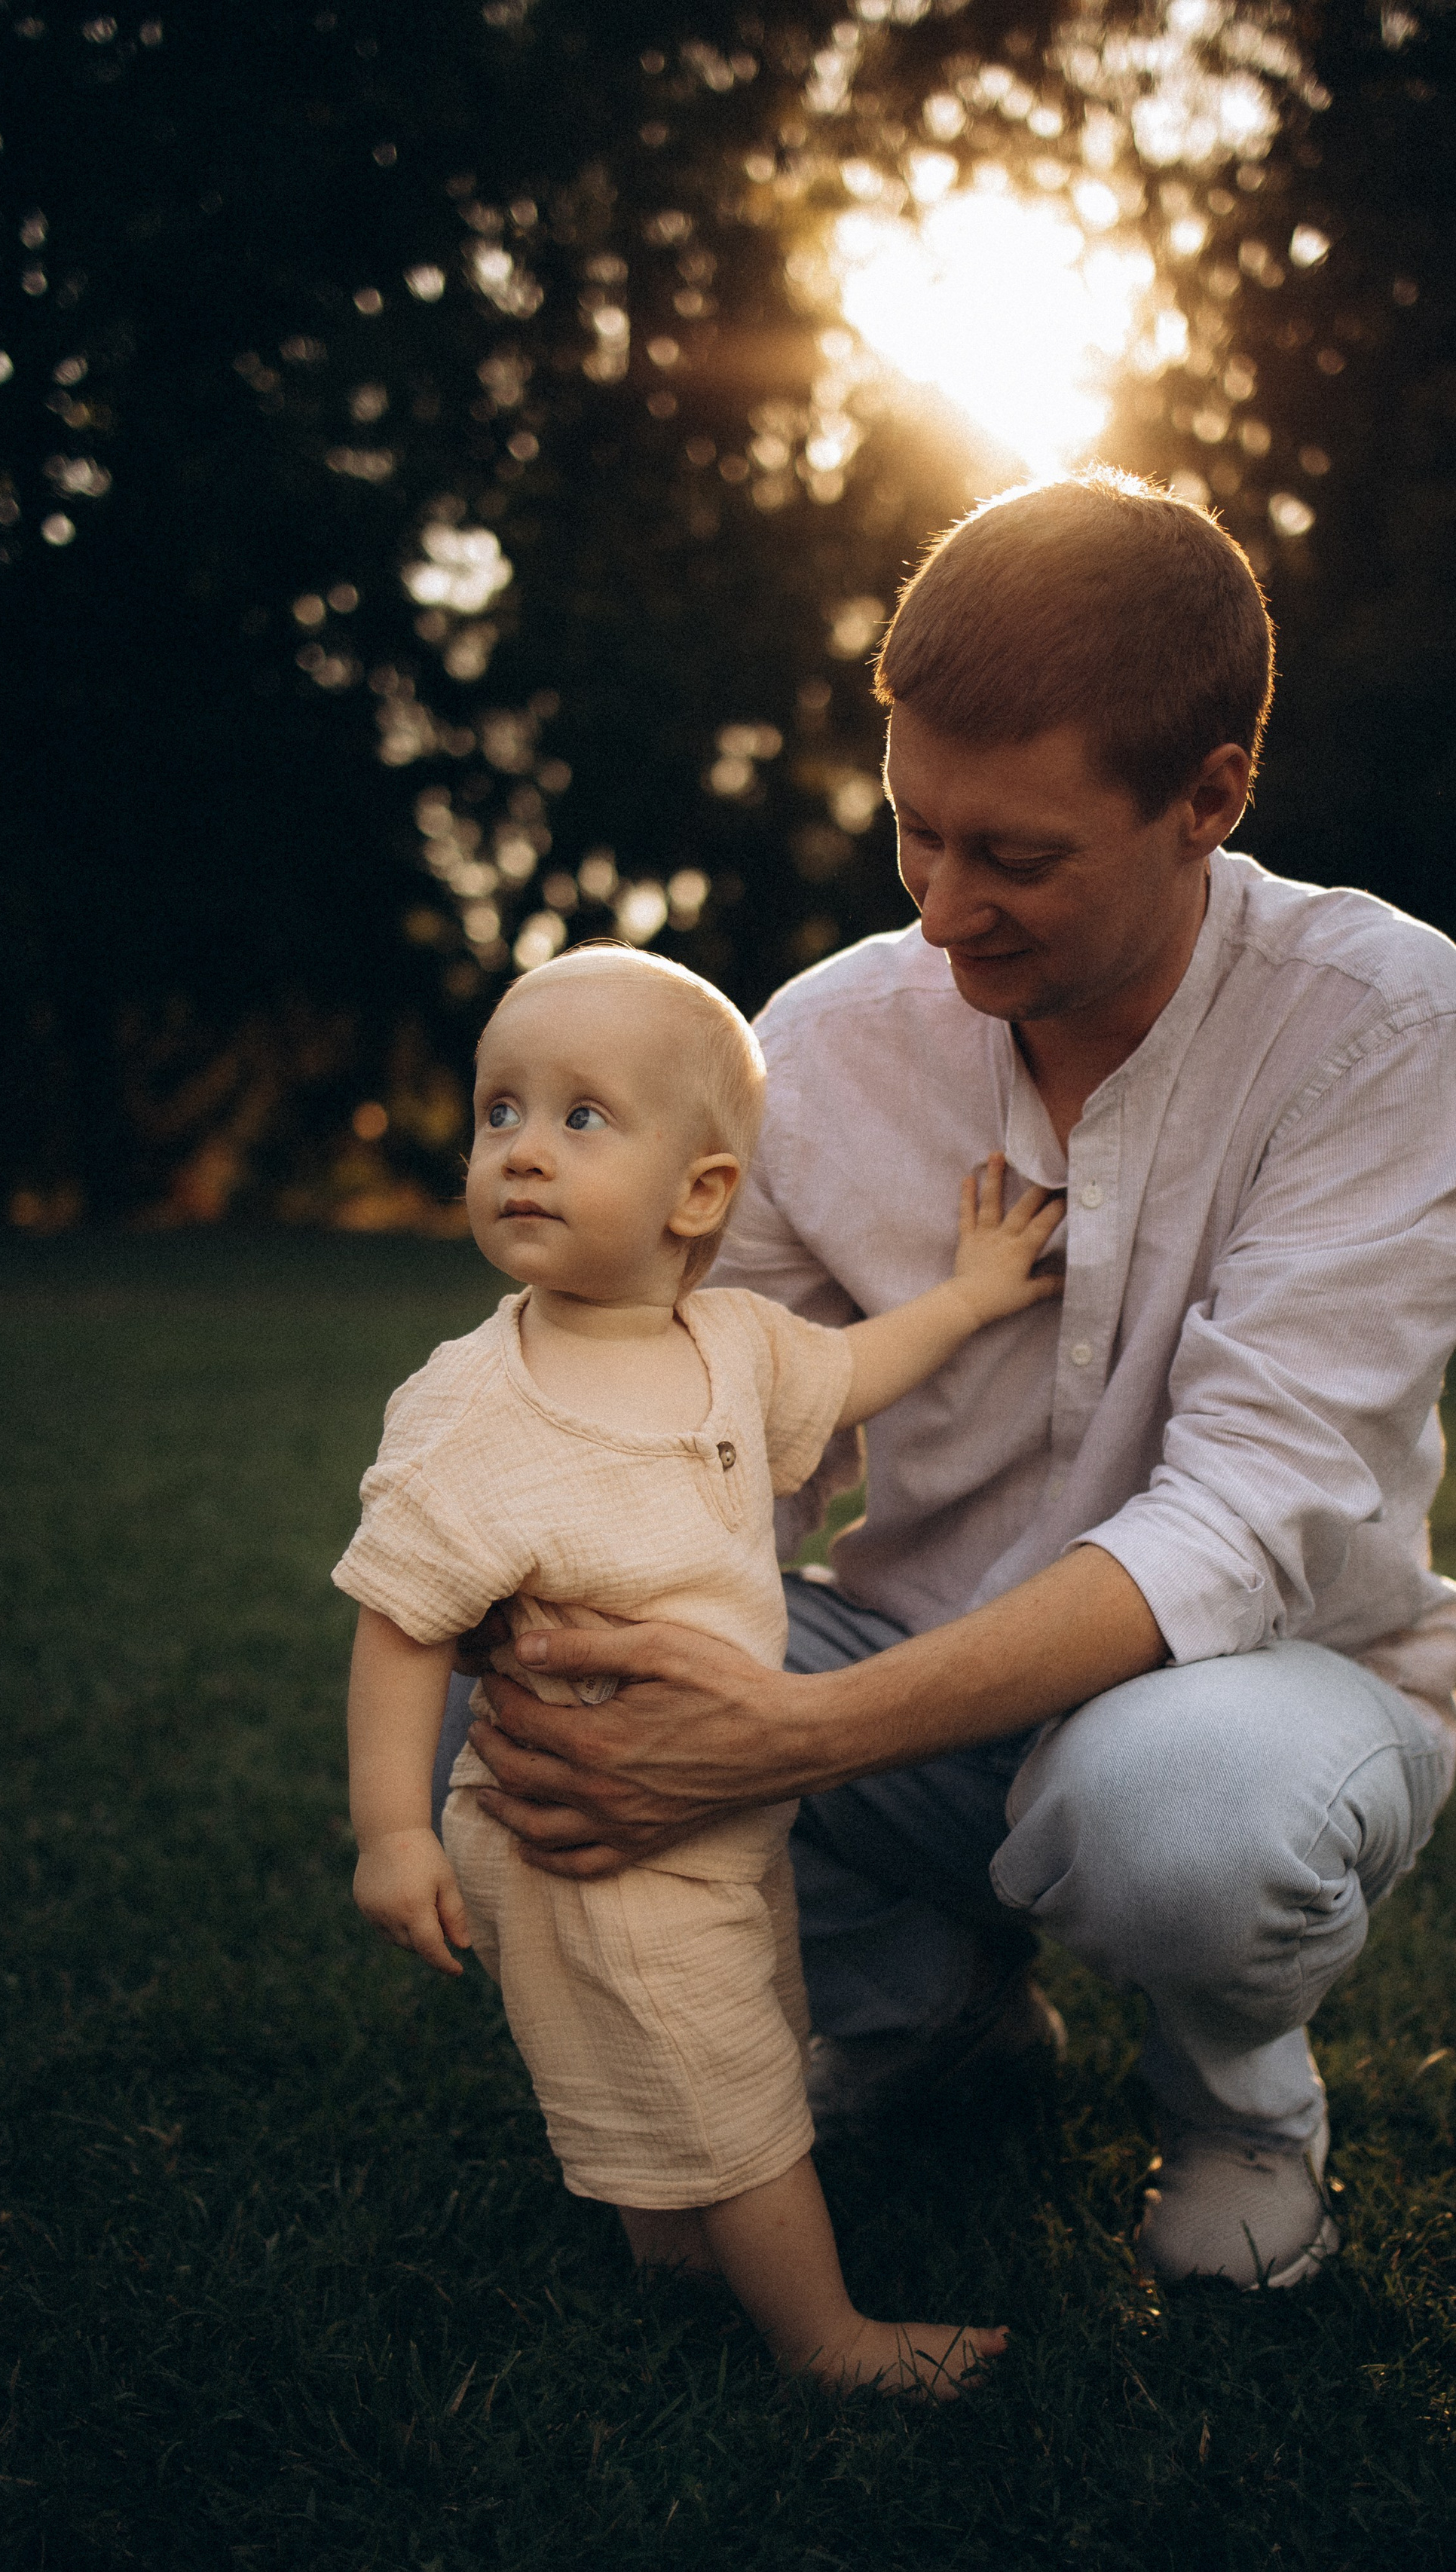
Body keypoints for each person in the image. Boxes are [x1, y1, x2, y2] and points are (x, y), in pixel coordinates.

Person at [444, 469, 1456, 2293]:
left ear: (1208, 797)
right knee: (554, 1674)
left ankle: (1240, 2112)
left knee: (1168, 1813)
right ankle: (913, 2014)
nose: (943, 914)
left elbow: (1241, 1525)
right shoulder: (823, 1041)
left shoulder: (1383, 1029)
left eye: (1014, 857)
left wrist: (784, 1737)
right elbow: (729, 1427)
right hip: (911, 1671)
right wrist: (550, 1576)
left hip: (1267, 1700)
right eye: (911, 833)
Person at [336, 944, 1067, 2392]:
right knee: (729, 2081)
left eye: (580, 1118)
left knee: (711, 2031)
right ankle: (829, 2339)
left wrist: (977, 1295)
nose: (523, 1151)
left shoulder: (729, 1345)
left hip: (726, 1808)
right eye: (499, 1112)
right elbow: (401, 1619)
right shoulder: (471, 1402)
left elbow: (857, 1371)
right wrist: (392, 1831)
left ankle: (675, 2260)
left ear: (702, 1194)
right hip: (595, 1828)